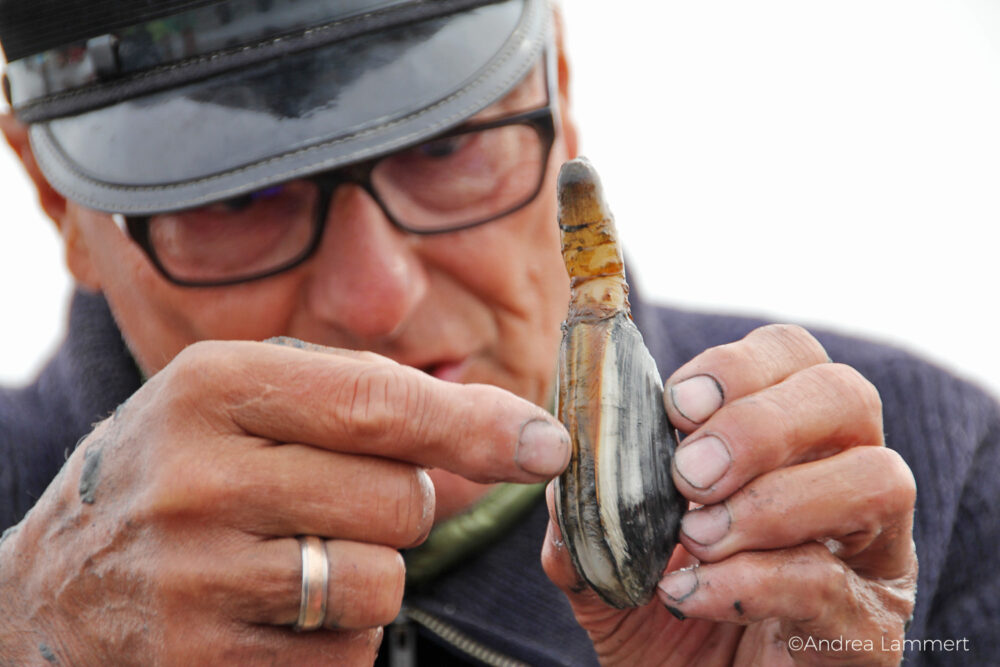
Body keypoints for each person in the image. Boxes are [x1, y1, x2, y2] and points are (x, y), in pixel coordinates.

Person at [0, 0, 995, 664]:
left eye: (447, 145)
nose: (376, 297)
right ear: (56, 202)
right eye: (238, 199)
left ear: (553, 81)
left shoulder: (923, 485)